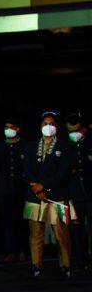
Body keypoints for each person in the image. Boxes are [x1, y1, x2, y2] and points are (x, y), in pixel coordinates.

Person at [24, 111, 74, 278]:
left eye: (51, 123)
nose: (48, 127)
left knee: (61, 232)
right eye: (45, 124)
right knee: (35, 233)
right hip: (35, 196)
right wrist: (36, 188)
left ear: (57, 127)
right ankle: (36, 265)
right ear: (40, 127)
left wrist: (44, 186)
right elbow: (27, 170)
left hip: (57, 196)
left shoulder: (64, 146)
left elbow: (64, 172)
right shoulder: (31, 146)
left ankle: (66, 265)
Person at [0, 121, 28, 263]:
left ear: (18, 129)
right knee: (8, 222)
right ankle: (11, 251)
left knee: (22, 221)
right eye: (6, 128)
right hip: (5, 190)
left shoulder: (25, 146)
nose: (9, 130)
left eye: (11, 127)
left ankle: (24, 250)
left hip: (22, 190)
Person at [67, 113, 91, 271]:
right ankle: (82, 261)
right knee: (77, 228)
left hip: (90, 190)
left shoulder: (89, 142)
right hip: (74, 194)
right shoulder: (65, 146)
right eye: (71, 131)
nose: (74, 133)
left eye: (77, 129)